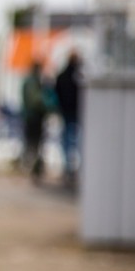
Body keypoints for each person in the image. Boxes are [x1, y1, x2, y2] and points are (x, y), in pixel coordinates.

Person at [54, 51, 82, 184]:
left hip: (66, 111)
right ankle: (76, 167)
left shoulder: (62, 76)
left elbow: (57, 92)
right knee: (77, 140)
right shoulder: (78, 76)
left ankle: (68, 167)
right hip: (76, 112)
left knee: (67, 140)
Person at [20, 60, 50, 182]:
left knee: (32, 143)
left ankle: (33, 167)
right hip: (34, 117)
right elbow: (35, 101)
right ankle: (33, 168)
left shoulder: (29, 81)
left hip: (30, 116)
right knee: (34, 144)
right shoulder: (33, 82)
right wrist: (47, 106)